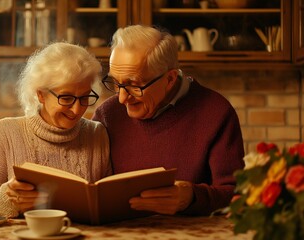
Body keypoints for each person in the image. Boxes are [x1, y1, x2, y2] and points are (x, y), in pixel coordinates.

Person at [92, 25, 245, 216]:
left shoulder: (216, 112)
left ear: (170, 79)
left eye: (134, 85)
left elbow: (236, 196)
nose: (122, 98)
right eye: (116, 83)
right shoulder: (108, 114)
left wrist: (192, 198)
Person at [0, 42, 112, 218]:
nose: (77, 109)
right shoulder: (6, 132)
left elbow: (107, 207)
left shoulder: (97, 134)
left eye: (85, 97)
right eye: (66, 98)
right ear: (40, 94)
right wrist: (9, 197)